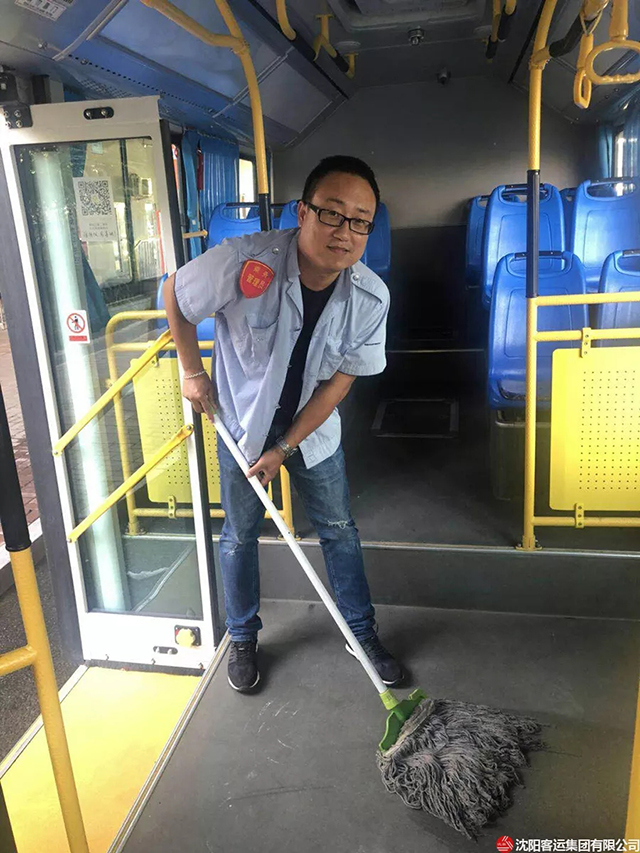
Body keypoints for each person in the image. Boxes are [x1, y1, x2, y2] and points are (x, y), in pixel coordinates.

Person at [164, 155, 403, 692]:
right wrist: (192, 371)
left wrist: (285, 448)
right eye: (332, 213)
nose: (344, 232)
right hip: (241, 427)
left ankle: (361, 633)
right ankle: (242, 637)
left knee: (339, 531)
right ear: (303, 211)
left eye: (360, 221)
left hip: (311, 435)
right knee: (240, 534)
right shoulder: (246, 261)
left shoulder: (370, 298)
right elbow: (174, 294)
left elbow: (337, 385)